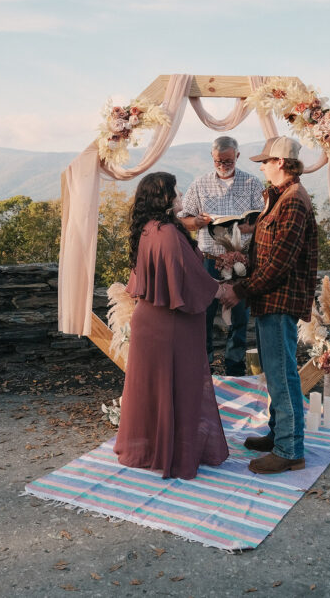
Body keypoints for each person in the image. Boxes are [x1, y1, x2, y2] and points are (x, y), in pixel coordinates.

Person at [114, 172, 231, 480]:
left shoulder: (149, 229)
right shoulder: (167, 232)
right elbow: (189, 278)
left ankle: (157, 451)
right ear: (163, 198)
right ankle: (176, 456)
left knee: (157, 390)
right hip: (171, 324)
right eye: (175, 191)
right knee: (181, 385)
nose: (180, 195)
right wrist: (222, 290)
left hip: (151, 320)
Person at [220, 136, 318, 475]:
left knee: (282, 375)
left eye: (266, 161)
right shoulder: (280, 198)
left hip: (278, 301)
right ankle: (280, 436)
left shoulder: (293, 202)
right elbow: (268, 253)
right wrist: (242, 259)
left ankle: (290, 450)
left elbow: (279, 264)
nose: (261, 166)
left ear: (281, 163)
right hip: (270, 300)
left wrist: (240, 290)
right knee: (275, 374)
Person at [178, 136, 265, 376]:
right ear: (212, 157)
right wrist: (197, 221)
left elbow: (264, 219)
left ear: (237, 156)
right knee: (203, 316)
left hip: (242, 262)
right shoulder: (200, 184)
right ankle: (203, 369)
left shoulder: (252, 183)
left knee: (239, 317)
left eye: (227, 160)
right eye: (218, 160)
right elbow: (183, 220)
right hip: (209, 261)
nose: (223, 164)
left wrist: (250, 227)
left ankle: (234, 368)